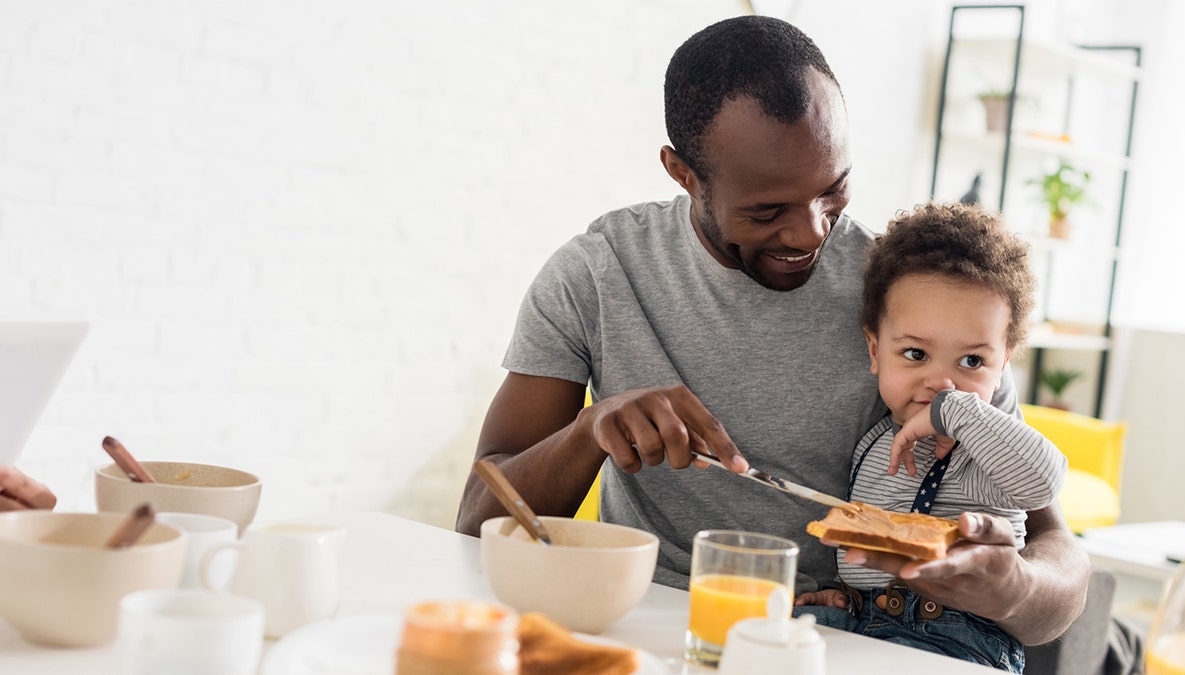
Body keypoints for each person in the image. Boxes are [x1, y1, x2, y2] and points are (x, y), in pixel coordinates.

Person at [455, 15, 1088, 646]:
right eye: (767, 210)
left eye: (833, 190)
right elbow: (476, 524)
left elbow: (1058, 568)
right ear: (683, 172)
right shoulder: (597, 274)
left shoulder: (908, 294)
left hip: (849, 639)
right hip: (660, 627)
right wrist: (590, 430)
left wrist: (1012, 588)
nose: (813, 231)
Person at [792, 202, 1067, 670]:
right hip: (865, 620)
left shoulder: (987, 447)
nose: (942, 382)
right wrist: (843, 595)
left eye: (972, 362)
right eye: (916, 353)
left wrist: (958, 412)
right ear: (875, 351)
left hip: (960, 638)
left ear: (1004, 366)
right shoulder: (872, 443)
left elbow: (1045, 480)